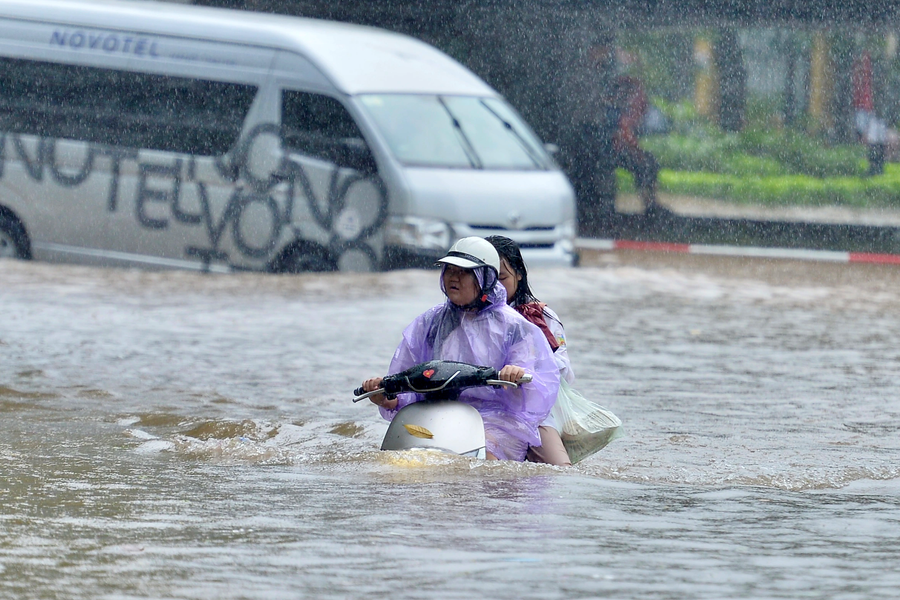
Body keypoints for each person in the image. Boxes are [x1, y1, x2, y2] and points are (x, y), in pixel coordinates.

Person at [359, 237, 560, 461]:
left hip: (497, 420)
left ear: (486, 278)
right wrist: (385, 395)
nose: (454, 277)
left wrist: (515, 376)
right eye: (449, 270)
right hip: (434, 416)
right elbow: (406, 378)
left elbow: (536, 387)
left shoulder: (515, 326)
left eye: (464, 272)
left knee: (485, 460)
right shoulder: (430, 322)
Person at [486, 235, 573, 466]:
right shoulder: (462, 317)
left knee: (559, 469)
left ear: (519, 274)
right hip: (479, 407)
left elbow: (564, 371)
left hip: (532, 411)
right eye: (487, 278)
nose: (495, 286)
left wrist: (527, 371)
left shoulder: (542, 318)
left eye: (502, 278)